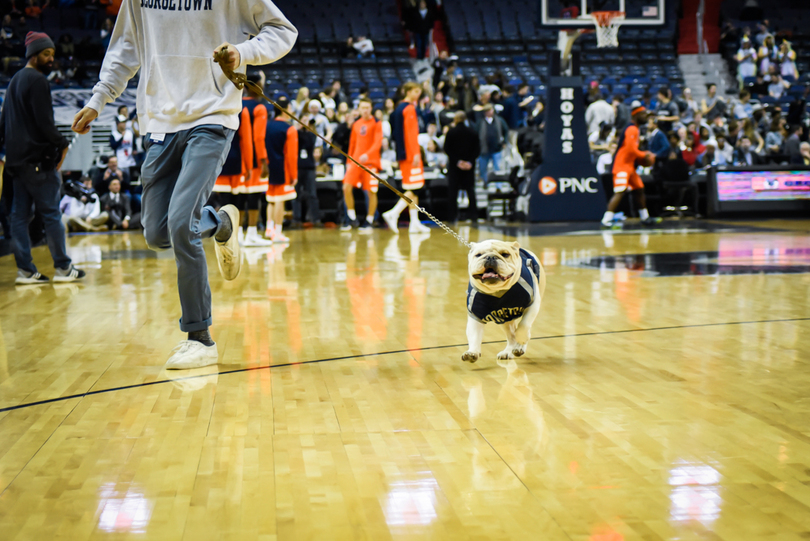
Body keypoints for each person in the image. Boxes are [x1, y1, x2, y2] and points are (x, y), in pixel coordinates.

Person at [70, 0, 297, 368]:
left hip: (212, 116)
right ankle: (220, 223)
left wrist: (242, 52)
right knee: (157, 234)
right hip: (160, 120)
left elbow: (283, 31)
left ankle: (200, 337)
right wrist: (99, 99)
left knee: (180, 224)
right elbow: (126, 47)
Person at [0, 31, 84, 285]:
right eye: (46, 54)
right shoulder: (37, 80)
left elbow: (3, 124)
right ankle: (63, 268)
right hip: (38, 162)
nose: (51, 59)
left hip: (16, 164)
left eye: (52, 54)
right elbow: (44, 123)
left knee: (18, 217)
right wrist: (63, 143)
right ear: (33, 55)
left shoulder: (14, 81)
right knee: (51, 214)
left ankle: (25, 271)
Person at [382, 82, 430, 235]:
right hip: (411, 154)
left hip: (402, 153)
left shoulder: (398, 108)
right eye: (415, 91)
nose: (418, 94)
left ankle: (414, 222)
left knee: (413, 188)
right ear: (407, 91)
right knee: (416, 188)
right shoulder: (409, 108)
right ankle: (393, 213)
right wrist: (416, 153)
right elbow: (411, 133)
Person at [601, 102, 660, 227]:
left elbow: (632, 151)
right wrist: (644, 155)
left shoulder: (636, 129)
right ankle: (606, 220)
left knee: (639, 189)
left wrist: (641, 158)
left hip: (629, 166)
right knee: (620, 191)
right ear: (636, 115)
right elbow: (630, 149)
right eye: (643, 115)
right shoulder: (631, 129)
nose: (645, 117)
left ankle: (645, 217)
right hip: (622, 166)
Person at [342, 98, 382, 232]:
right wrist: (349, 162)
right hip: (355, 161)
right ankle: (352, 218)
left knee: (371, 191)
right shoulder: (356, 124)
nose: (365, 110)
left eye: (367, 107)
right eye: (363, 107)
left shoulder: (376, 123)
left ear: (371, 108)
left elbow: (377, 143)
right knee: (346, 187)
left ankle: (370, 220)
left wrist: (368, 154)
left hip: (371, 162)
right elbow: (352, 144)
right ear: (359, 109)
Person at [264, 96, 298, 243]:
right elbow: (291, 155)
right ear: (284, 110)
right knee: (280, 200)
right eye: (290, 108)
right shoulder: (290, 129)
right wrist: (294, 175)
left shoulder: (267, 125)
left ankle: (269, 228)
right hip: (283, 168)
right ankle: (277, 232)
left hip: (268, 167)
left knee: (270, 199)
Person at [444, 111, 480, 223]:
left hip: (455, 167)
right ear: (465, 119)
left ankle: (452, 216)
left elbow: (447, 149)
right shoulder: (473, 132)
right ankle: (473, 215)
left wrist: (458, 162)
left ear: (455, 119)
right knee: (470, 191)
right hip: (469, 167)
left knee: (453, 192)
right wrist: (469, 162)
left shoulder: (451, 133)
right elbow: (477, 149)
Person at [293, 114, 319, 227]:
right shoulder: (295, 133)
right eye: (303, 120)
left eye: (306, 121)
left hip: (309, 167)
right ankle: (296, 219)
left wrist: (308, 129)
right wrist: (298, 128)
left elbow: (310, 143)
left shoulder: (311, 135)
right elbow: (296, 143)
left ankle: (315, 218)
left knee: (312, 194)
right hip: (297, 167)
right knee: (296, 195)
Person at [475, 104, 509, 183]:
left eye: (491, 110)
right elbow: (476, 134)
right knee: (483, 168)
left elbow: (506, 130)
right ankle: (485, 182)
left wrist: (504, 142)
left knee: (497, 168)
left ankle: (498, 185)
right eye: (488, 111)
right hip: (484, 149)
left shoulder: (499, 120)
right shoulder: (480, 122)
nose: (490, 112)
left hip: (496, 148)